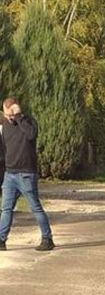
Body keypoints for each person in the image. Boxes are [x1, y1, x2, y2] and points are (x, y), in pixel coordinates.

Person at [0, 98, 54, 251]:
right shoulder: (5, 126)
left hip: (26, 174)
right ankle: (1, 240)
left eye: (9, 114)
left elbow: (30, 135)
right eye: (6, 114)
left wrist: (18, 116)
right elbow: (6, 148)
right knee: (6, 209)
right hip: (10, 174)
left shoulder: (29, 123)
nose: (7, 117)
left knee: (35, 207)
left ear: (16, 110)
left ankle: (47, 239)